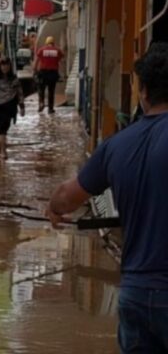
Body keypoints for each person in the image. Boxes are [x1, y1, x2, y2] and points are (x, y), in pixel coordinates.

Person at [45, 45, 168, 353]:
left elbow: (66, 197)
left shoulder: (116, 146)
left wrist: (54, 208)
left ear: (143, 91)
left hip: (137, 293)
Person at [0, 58, 25, 159]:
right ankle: (3, 151)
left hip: (10, 106)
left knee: (3, 129)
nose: (5, 67)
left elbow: (20, 93)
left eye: (7, 65)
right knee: (1, 129)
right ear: (0, 66)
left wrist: (22, 106)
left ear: (10, 67)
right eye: (3, 65)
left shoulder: (14, 79)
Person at [33, 36, 65, 114]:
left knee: (41, 89)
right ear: (53, 43)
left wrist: (35, 70)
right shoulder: (57, 50)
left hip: (43, 72)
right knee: (51, 91)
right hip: (53, 73)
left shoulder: (41, 50)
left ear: (46, 43)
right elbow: (62, 60)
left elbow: (36, 62)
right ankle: (50, 108)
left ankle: (41, 103)